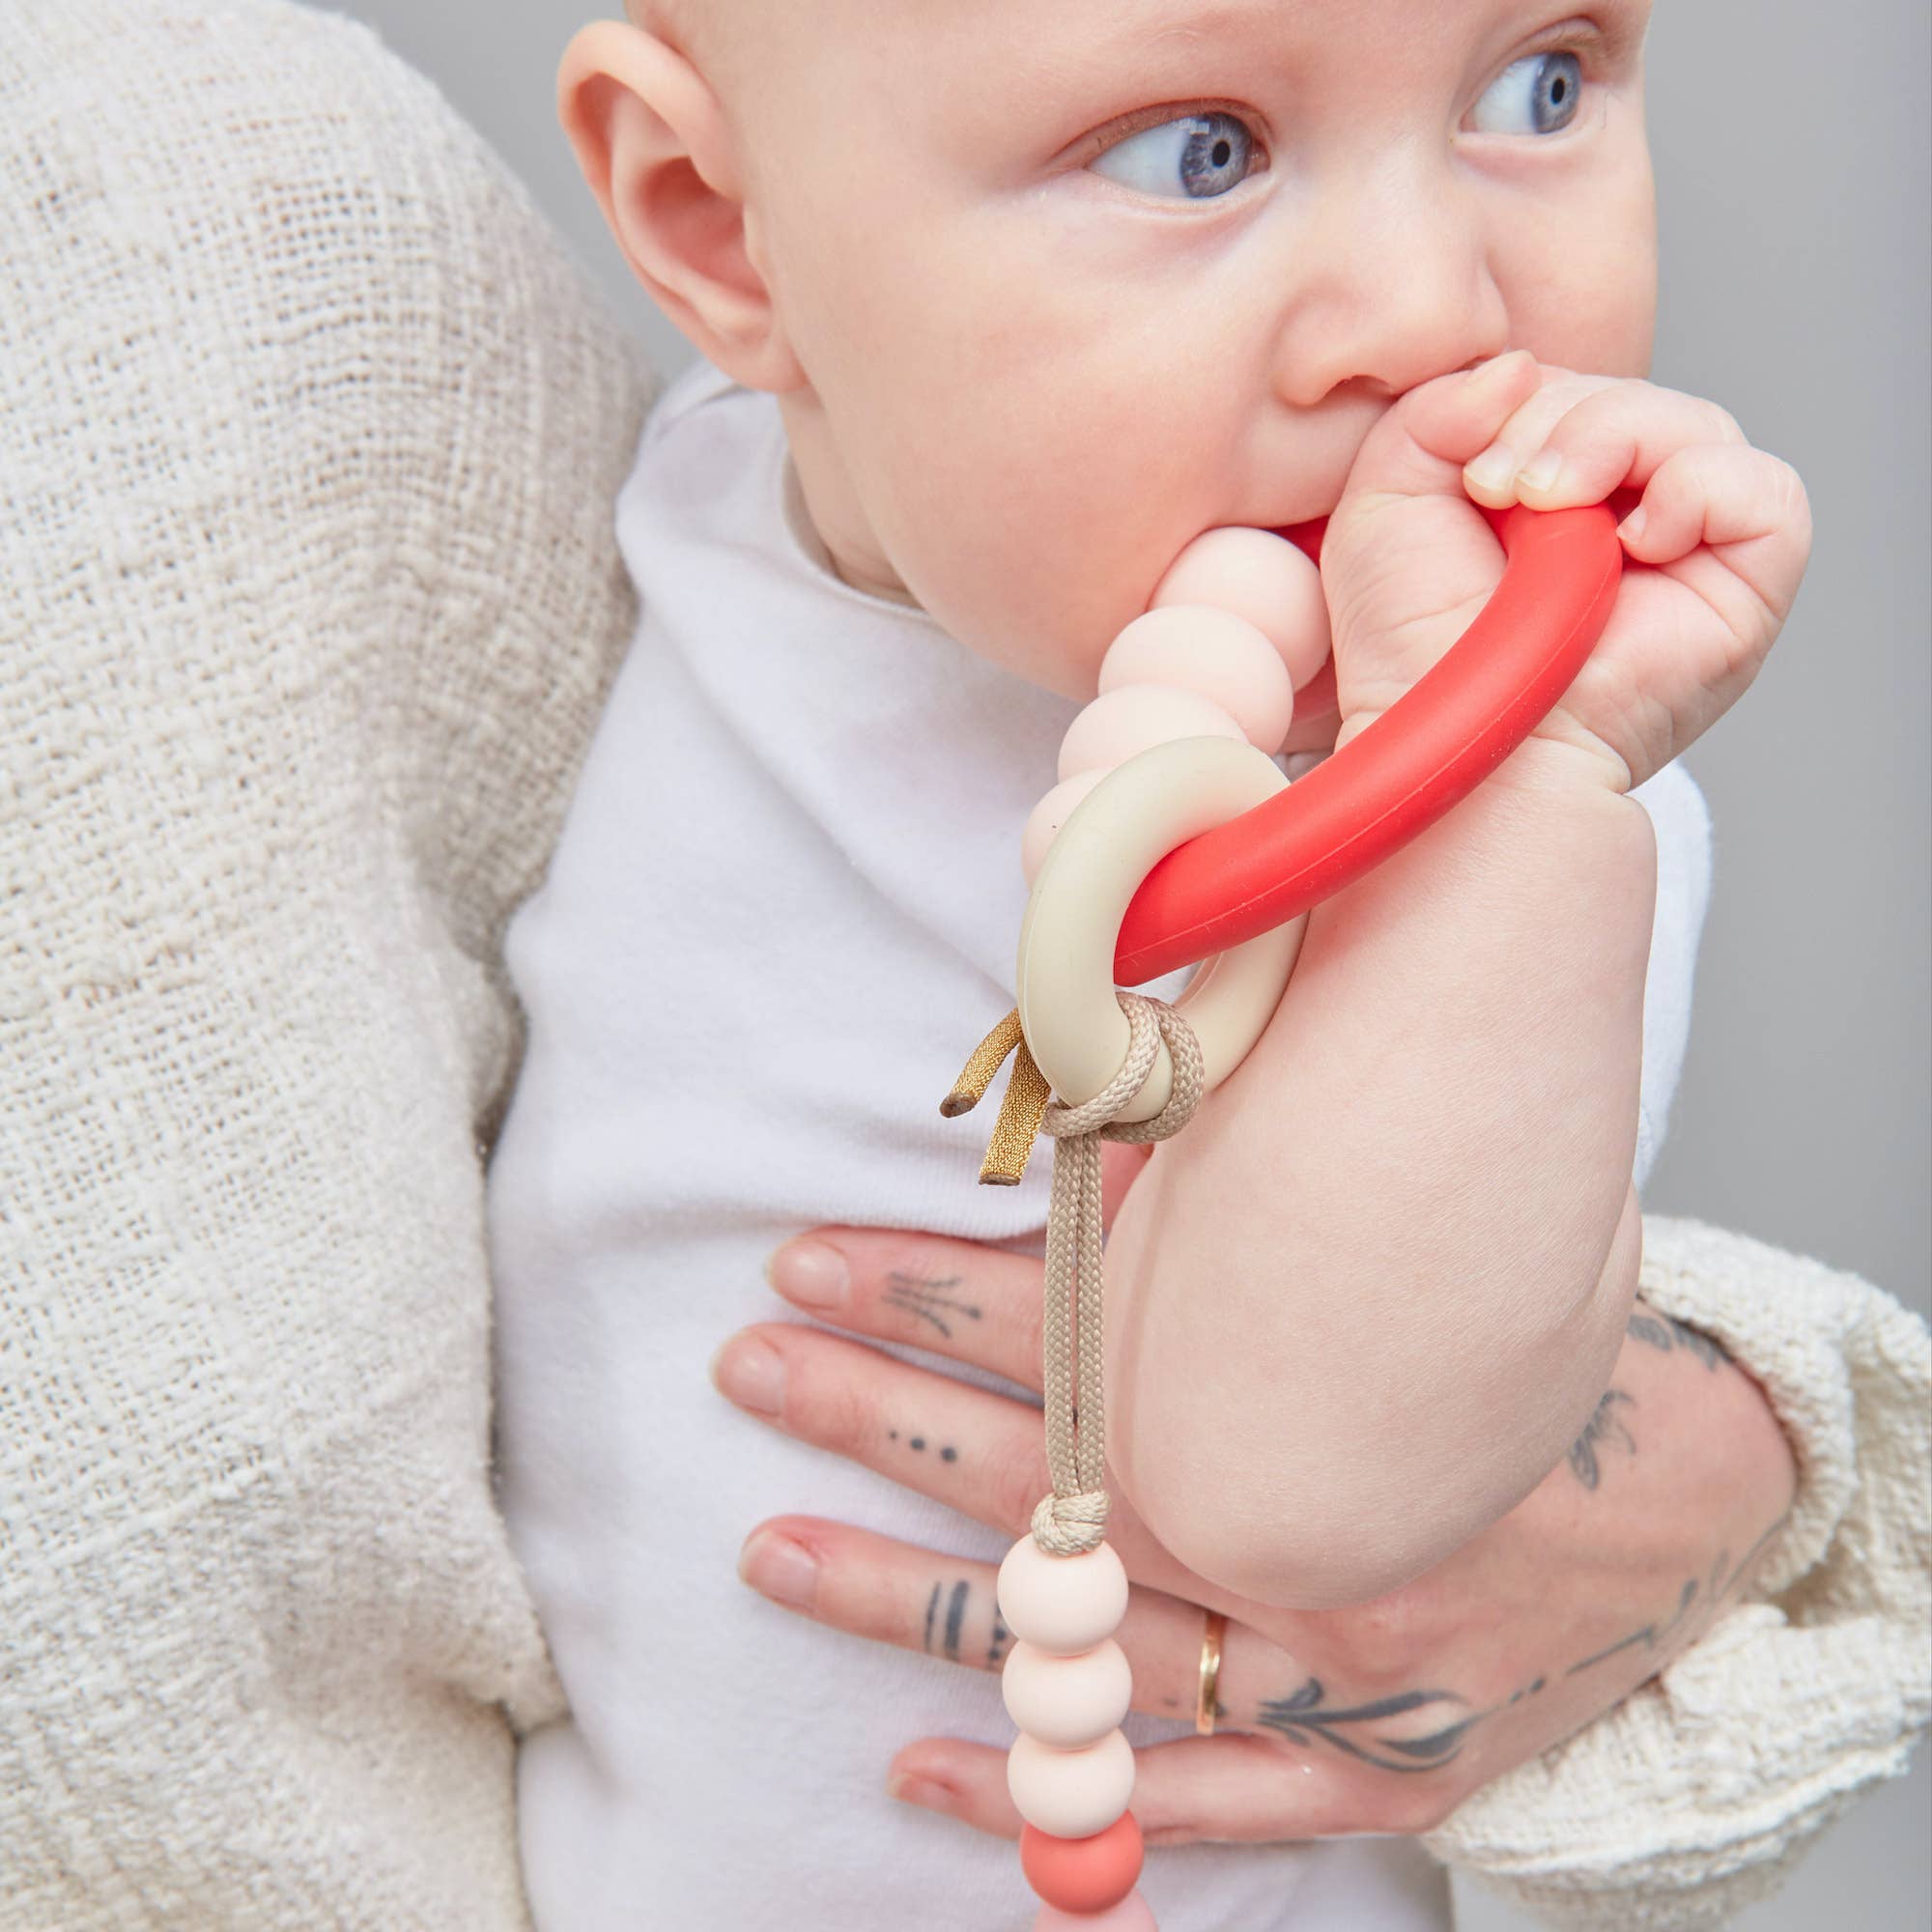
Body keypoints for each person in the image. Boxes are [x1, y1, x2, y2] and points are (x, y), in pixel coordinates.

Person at [483, 1, 1819, 1926]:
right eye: (1196, 150)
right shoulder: (615, 533)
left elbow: (1300, 1486)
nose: (1436, 310)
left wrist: (1515, 791)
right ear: (718, 229)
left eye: (1539, 85)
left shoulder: (1527, 816)